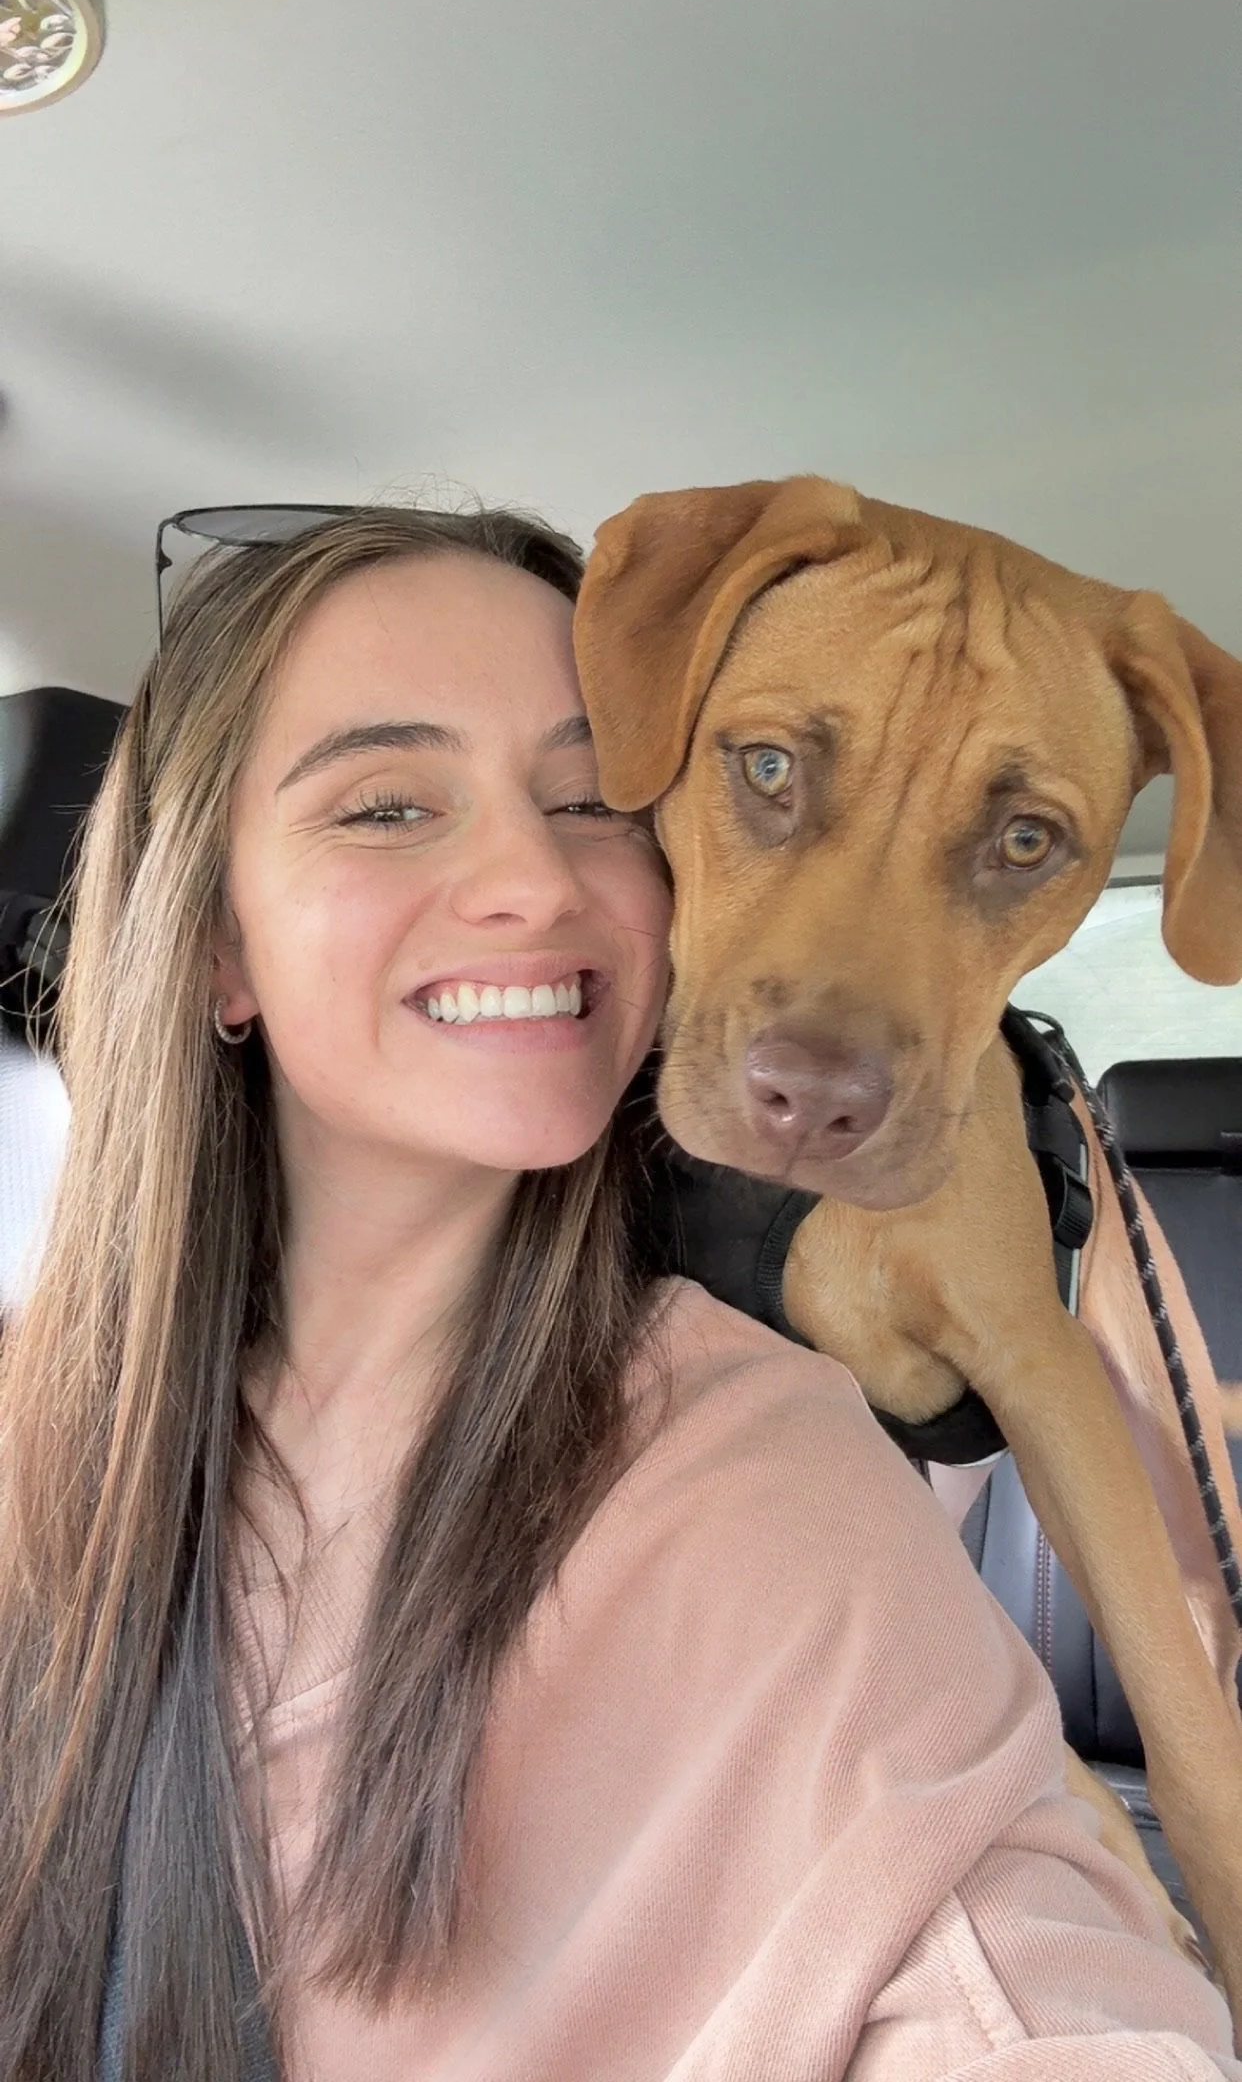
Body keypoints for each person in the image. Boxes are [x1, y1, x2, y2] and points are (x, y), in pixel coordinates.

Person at [0, 503, 1235, 2082]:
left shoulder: (752, 1476)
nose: (529, 880)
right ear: (213, 942)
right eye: (385, 807)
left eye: (592, 800)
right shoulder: (50, 1427)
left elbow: (1010, 1961)